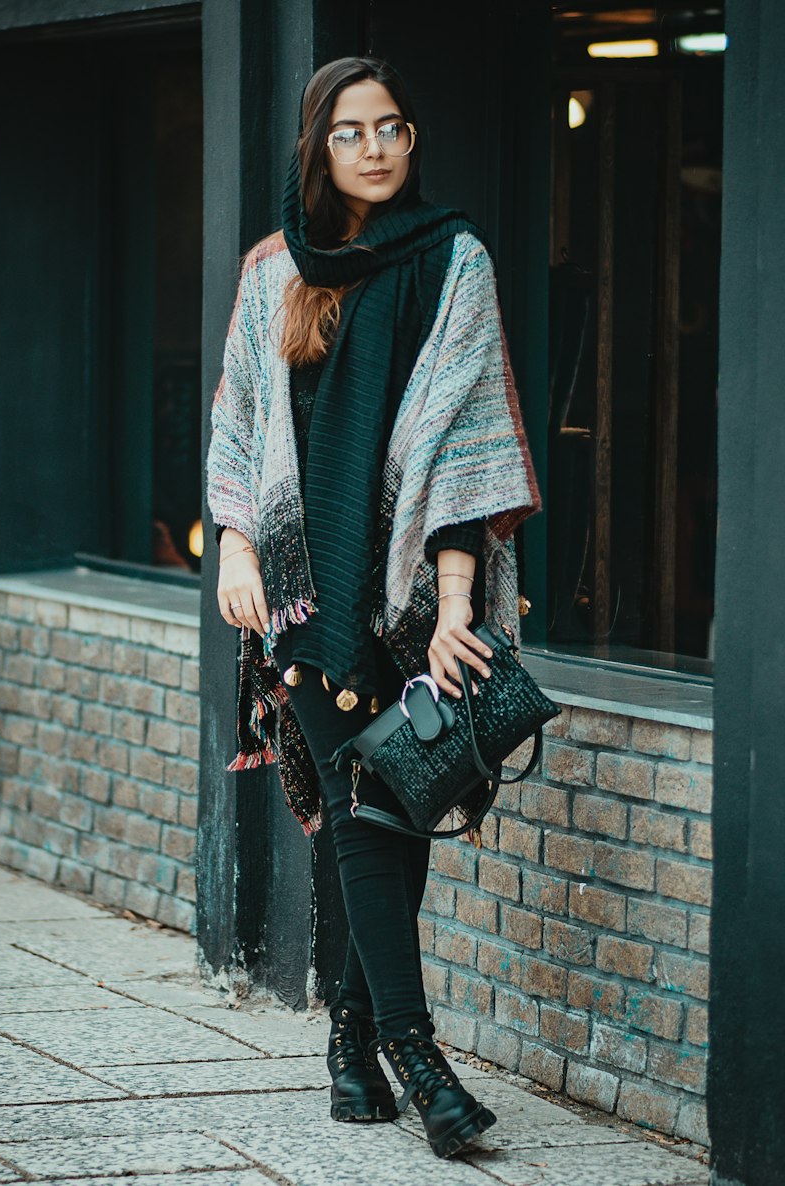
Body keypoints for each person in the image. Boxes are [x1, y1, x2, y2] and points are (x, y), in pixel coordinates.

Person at [207, 56, 540, 1159]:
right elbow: (243, 425)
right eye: (351, 132)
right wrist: (236, 549)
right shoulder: (273, 273)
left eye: (392, 125)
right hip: (302, 593)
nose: (378, 148)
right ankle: (422, 1061)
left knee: (398, 809)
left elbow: (463, 449)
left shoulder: (457, 261)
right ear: (320, 148)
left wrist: (453, 611)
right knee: (363, 806)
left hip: (410, 598)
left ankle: (352, 1036)